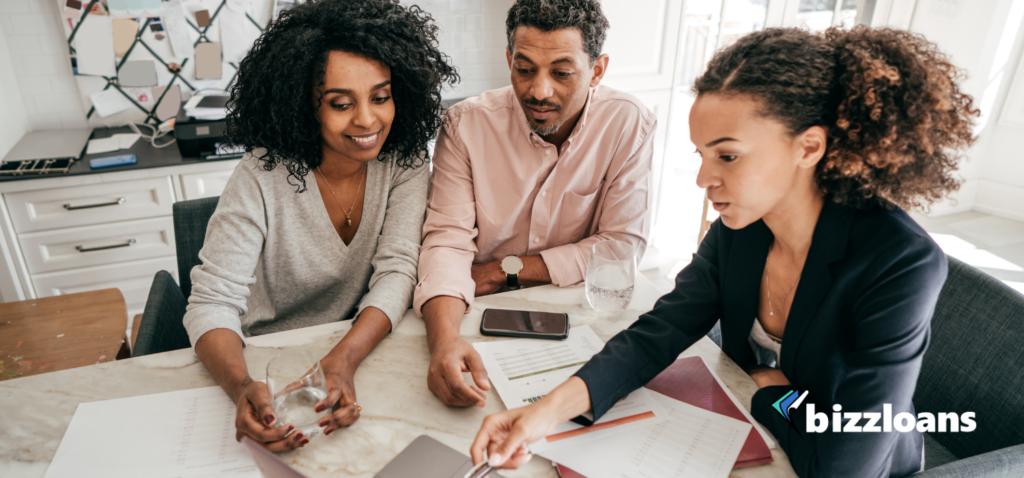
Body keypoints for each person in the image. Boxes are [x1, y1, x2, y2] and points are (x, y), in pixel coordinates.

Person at [470, 26, 978, 477]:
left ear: (808, 147)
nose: (703, 179)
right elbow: (661, 330)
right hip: (749, 434)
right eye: (702, 154)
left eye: (728, 156)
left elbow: (845, 466)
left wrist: (774, 395)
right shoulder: (743, 225)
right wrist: (543, 412)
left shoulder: (898, 262)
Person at [182, 0, 456, 452]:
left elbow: (398, 270)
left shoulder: (403, 158)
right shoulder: (261, 174)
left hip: (360, 346)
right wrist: (240, 386)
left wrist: (343, 360)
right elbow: (211, 302)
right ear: (303, 105)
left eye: (381, 96)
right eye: (340, 103)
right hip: (265, 359)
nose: (367, 120)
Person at [415, 0, 656, 409]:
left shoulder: (628, 123)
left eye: (562, 73)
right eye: (524, 69)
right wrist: (443, 343)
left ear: (597, 70)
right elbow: (446, 243)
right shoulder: (464, 126)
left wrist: (498, 271)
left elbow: (620, 248)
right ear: (509, 58)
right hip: (474, 312)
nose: (539, 91)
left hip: (581, 321)